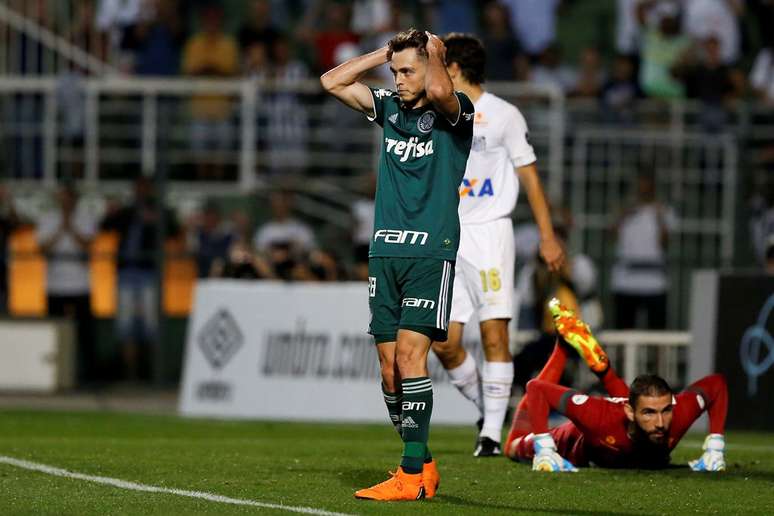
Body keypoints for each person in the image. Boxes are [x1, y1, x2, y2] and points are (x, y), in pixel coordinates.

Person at [320, 28, 474, 501]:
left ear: (431, 67)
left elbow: (443, 92)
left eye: (409, 71)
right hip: (384, 250)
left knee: (411, 359)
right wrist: (382, 54)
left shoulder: (457, 113)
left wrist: (435, 57)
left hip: (430, 251)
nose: (400, 79)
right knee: (389, 371)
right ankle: (421, 463)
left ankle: (409, 477)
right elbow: (331, 82)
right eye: (395, 72)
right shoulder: (388, 107)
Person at [429, 34, 564, 458]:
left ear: (454, 68)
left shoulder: (504, 115)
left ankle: (489, 434)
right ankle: (493, 410)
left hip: (489, 234)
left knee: (494, 334)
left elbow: (530, 177)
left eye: (438, 64)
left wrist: (547, 235)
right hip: (449, 233)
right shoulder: (439, 113)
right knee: (443, 342)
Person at [505, 298, 728, 472]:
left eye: (665, 411)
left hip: (623, 426)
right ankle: (563, 344)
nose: (660, 422)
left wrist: (714, 447)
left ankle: (603, 370)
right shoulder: (598, 416)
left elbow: (716, 384)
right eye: (650, 413)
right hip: (570, 442)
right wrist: (544, 448)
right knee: (512, 447)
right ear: (629, 412)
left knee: (636, 408)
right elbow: (537, 388)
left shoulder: (677, 415)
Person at [37, 185, 96, 383]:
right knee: (53, 333)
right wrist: (61, 227)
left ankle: (88, 376)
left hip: (80, 285)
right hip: (55, 285)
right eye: (63, 198)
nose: (66, 202)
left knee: (85, 335)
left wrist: (70, 225)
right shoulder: (48, 218)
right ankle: (52, 376)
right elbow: (43, 249)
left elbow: (87, 248)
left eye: (69, 198)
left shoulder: (86, 217)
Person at [610, 173, 677, 329]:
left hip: (655, 282)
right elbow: (611, 234)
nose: (643, 189)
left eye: (647, 185)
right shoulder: (625, 211)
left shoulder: (664, 211)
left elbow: (665, 242)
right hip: (625, 281)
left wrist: (660, 217)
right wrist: (624, 213)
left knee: (657, 333)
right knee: (623, 332)